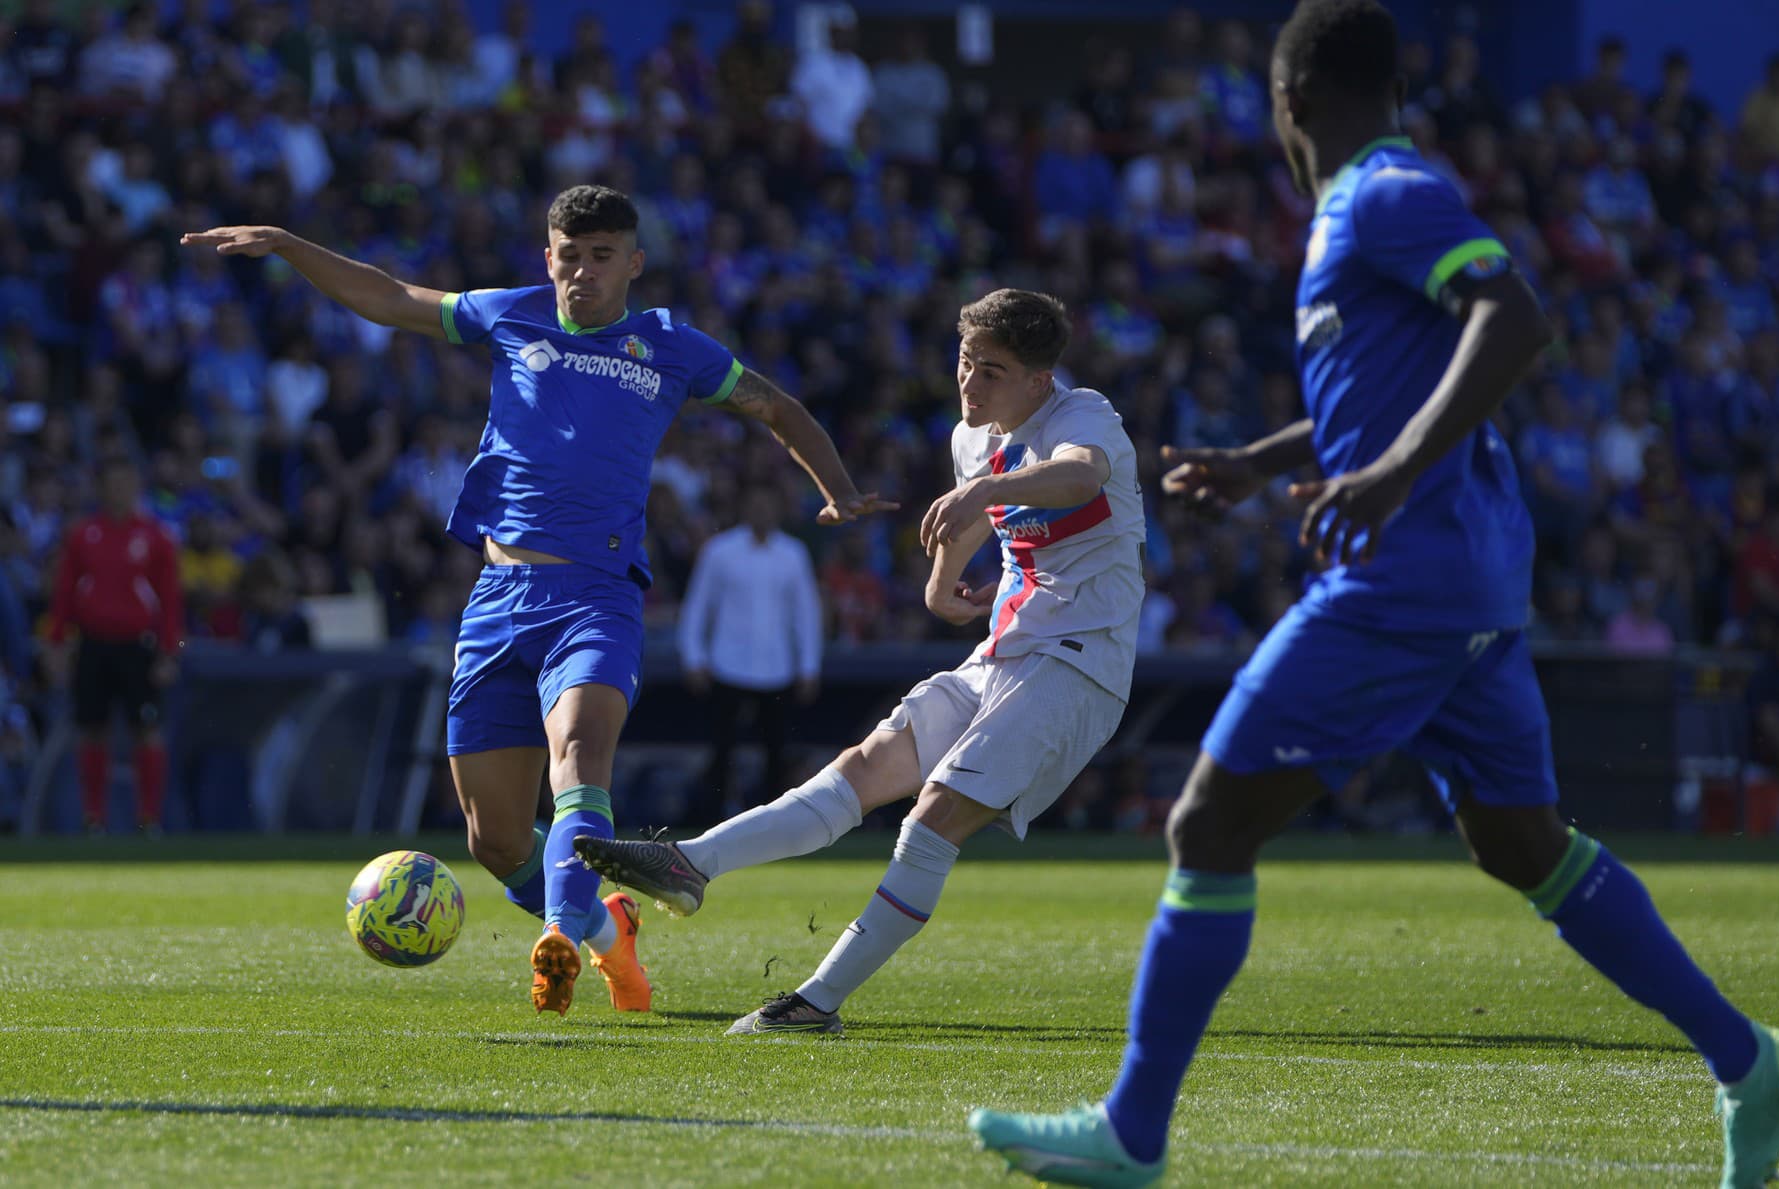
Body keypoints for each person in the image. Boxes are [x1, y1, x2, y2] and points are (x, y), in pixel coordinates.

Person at [967, 5, 1779, 1187]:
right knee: (1520, 840)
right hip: (1469, 580)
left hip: (1405, 577)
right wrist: (1263, 464)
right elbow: (1381, 393)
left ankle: (1133, 1131)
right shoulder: (1361, 213)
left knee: (1208, 822)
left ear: (1292, 101)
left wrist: (1391, 473)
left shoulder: (1381, 193)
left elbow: (1515, 317)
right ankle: (1751, 1060)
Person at [181, 185, 892, 1017]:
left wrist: (838, 490)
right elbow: (387, 297)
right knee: (495, 840)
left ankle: (556, 935)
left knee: (580, 760)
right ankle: (604, 932)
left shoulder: (671, 345)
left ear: (634, 263)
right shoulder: (509, 314)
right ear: (546, 256)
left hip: (597, 594)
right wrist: (291, 245)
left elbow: (776, 406)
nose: (582, 271)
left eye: (601, 256)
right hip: (498, 596)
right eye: (569, 254)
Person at [576, 289, 1143, 1036]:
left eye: (993, 372)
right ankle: (692, 862)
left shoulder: (1082, 416)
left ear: (1041, 381)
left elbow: (1079, 477)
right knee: (866, 762)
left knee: (935, 813)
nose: (969, 384)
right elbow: (976, 520)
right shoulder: (971, 438)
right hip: (1007, 648)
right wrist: (943, 586)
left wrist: (985, 487)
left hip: (1082, 662)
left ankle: (815, 1002)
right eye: (966, 363)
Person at [45, 455, 182, 835]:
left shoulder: (156, 537)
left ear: (136, 486)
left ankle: (149, 819)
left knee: (148, 731)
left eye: (125, 482)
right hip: (93, 645)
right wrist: (56, 643)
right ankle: (94, 818)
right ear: (101, 488)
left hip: (138, 647)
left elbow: (171, 603)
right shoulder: (82, 535)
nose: (118, 490)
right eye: (112, 483)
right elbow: (65, 595)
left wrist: (170, 652)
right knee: (92, 729)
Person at [677, 484, 823, 822]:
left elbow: (806, 613)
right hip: (727, 666)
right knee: (722, 749)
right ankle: (712, 821)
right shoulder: (719, 551)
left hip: (777, 669)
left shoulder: (793, 553)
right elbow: (698, 607)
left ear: (777, 510)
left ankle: (771, 824)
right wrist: (694, 658)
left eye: (767, 506)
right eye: (755, 505)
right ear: (745, 509)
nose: (761, 512)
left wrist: (809, 666)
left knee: (776, 751)